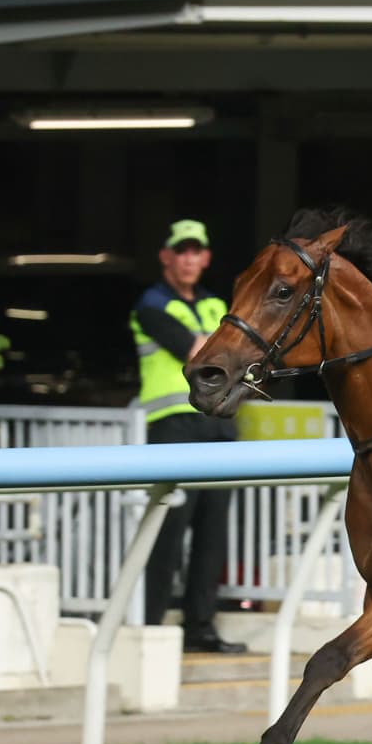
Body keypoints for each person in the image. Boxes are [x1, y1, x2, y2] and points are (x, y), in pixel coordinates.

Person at [129, 218, 247, 654]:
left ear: (206, 258)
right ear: (166, 256)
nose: (188, 259)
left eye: (196, 251)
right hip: (173, 428)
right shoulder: (151, 304)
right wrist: (220, 346)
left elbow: (239, 354)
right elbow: (204, 353)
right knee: (167, 531)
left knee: (213, 534)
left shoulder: (215, 304)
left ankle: (201, 629)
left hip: (217, 424)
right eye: (181, 250)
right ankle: (151, 625)